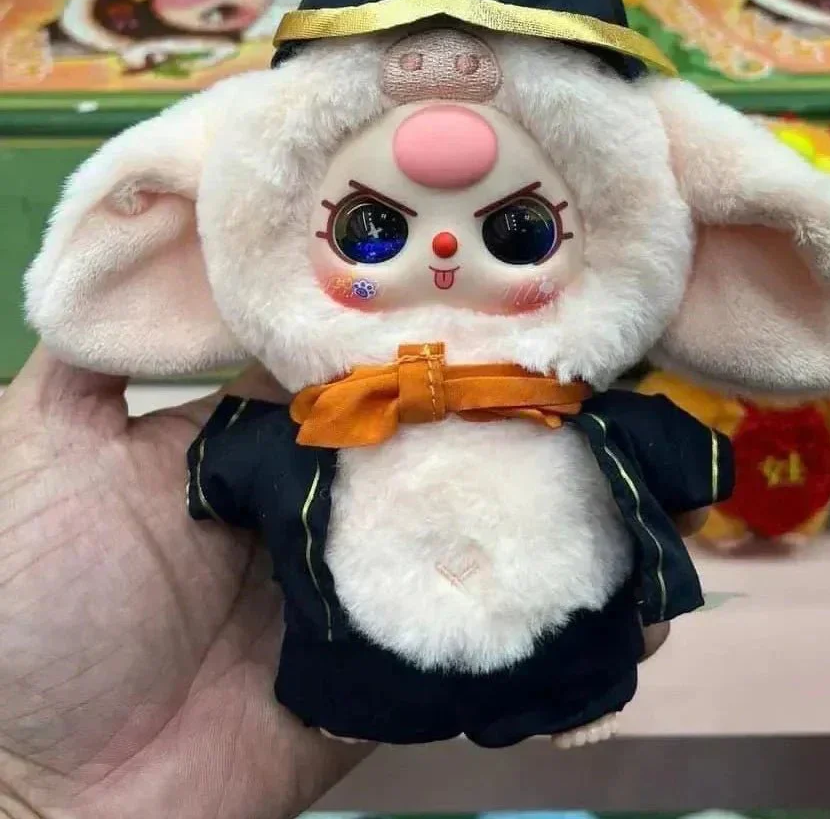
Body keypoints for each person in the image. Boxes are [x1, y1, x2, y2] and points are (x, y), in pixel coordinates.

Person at [0, 346, 701, 814]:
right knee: (347, 673)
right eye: (369, 235)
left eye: (522, 235)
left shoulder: (582, 410)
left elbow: (680, 453)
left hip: (558, 599)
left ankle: (578, 697)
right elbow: (236, 468)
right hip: (351, 633)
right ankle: (344, 701)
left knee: (576, 633)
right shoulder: (317, 420)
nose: (445, 252)